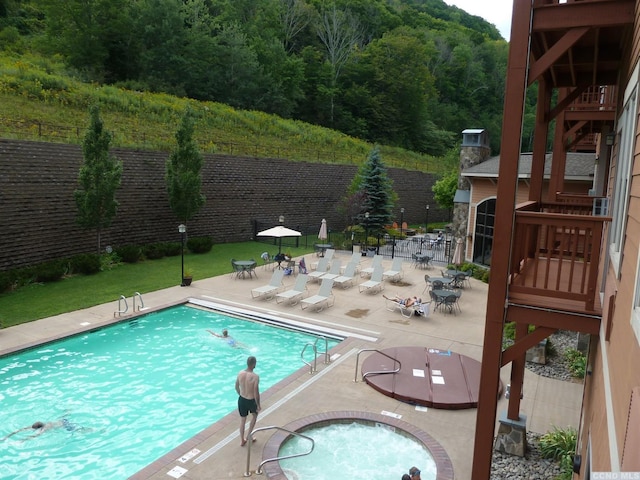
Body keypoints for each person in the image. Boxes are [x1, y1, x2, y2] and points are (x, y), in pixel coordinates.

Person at [235, 355, 260, 447]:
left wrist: (241, 396)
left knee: (243, 420)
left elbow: (236, 387)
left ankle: (242, 440)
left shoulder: (240, 373)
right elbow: (256, 392)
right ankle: (249, 435)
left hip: (241, 399)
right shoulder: (255, 377)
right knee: (254, 415)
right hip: (251, 400)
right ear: (254, 364)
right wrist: (258, 404)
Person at [2, 418, 79, 441]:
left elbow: (36, 435)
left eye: (34, 429)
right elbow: (20, 430)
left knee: (75, 430)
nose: (32, 429)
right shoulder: (40, 425)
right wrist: (7, 436)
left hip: (64, 425)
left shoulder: (45, 428)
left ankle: (82, 430)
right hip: (61, 420)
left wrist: (23, 440)